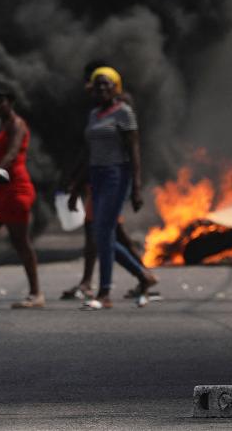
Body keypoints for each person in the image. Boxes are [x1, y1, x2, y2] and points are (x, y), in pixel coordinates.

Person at [68, 66, 157, 309]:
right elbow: (90, 153)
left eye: (107, 84)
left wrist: (137, 187)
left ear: (116, 87)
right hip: (96, 176)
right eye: (98, 84)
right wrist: (76, 187)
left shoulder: (124, 113)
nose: (102, 88)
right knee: (101, 235)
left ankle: (104, 293)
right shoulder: (95, 115)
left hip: (117, 174)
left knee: (103, 233)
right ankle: (142, 275)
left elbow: (134, 151)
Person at [0, 81, 43, 309]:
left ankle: (36, 293)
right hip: (0, 190)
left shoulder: (17, 124)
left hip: (15, 189)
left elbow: (12, 153)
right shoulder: (3, 126)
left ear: (10, 102)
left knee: (20, 242)